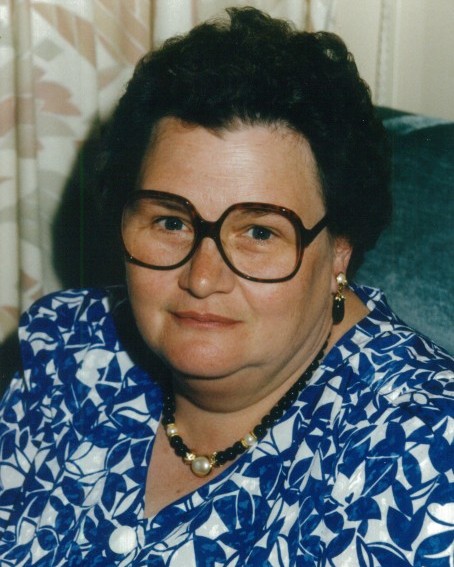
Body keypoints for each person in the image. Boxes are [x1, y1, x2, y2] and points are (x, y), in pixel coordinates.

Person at [0, 7, 452, 566]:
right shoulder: (67, 348)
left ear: (340, 248)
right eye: (171, 222)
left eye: (259, 232)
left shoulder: (428, 458)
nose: (202, 278)